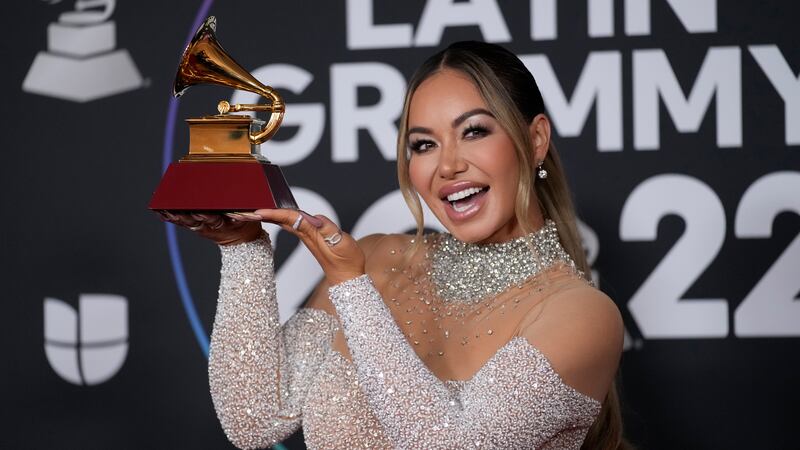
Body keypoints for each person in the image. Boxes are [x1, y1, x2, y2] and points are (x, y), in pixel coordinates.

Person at [161, 41, 625, 450]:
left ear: (536, 138)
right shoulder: (378, 258)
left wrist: (352, 286)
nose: (447, 166)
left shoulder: (581, 315)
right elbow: (255, 420)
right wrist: (242, 247)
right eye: (423, 144)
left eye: (475, 131)